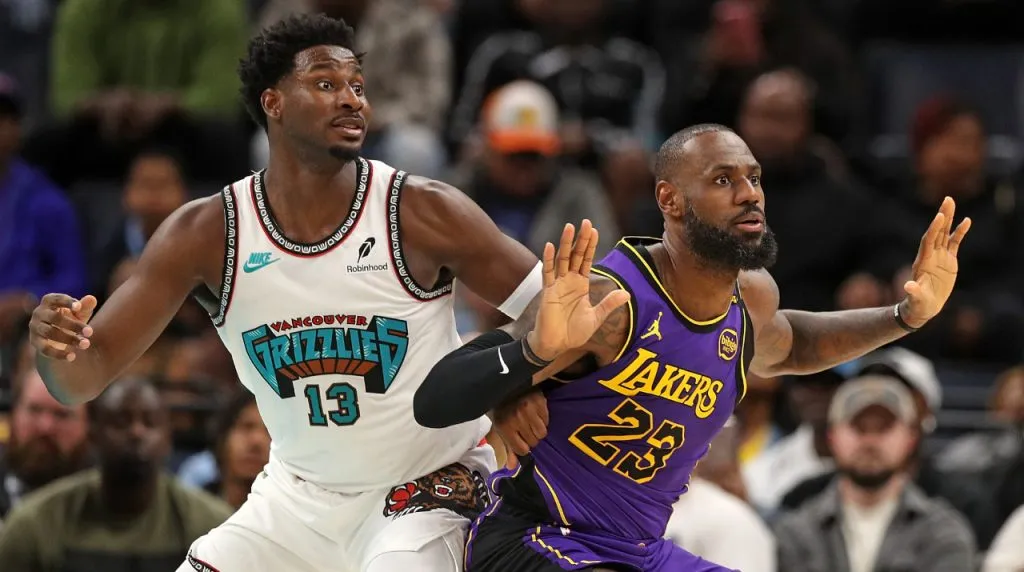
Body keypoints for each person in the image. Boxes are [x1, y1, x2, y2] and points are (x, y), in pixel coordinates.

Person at [27, 14, 549, 572]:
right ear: (273, 102)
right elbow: (84, 377)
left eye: (357, 87)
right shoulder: (207, 233)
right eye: (326, 84)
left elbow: (566, 309)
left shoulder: (419, 210)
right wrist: (56, 351)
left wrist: (515, 384)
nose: (351, 100)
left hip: (423, 491)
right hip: (297, 499)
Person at [413, 123, 971, 571]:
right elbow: (435, 399)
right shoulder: (611, 303)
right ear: (670, 199)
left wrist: (905, 316)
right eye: (724, 180)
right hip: (534, 537)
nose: (750, 193)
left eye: (754, 178)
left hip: (638, 549)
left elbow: (794, 343)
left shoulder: (749, 302)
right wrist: (531, 357)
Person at [0, 377, 234, 570]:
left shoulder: (211, 525)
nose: (136, 432)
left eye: (150, 422)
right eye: (121, 422)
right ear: (93, 435)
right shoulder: (35, 523)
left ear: (168, 438)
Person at [773, 376, 976, 572]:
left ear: (911, 437)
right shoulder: (796, 532)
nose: (870, 441)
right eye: (858, 427)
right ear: (832, 436)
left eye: (884, 428)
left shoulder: (943, 532)